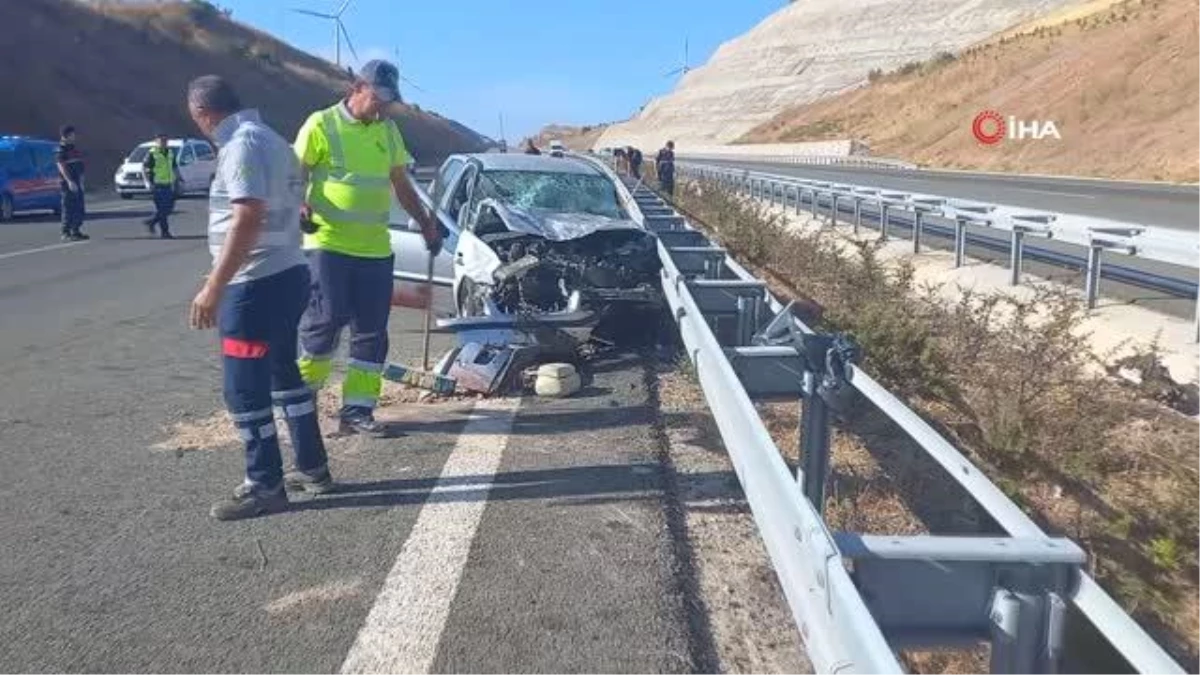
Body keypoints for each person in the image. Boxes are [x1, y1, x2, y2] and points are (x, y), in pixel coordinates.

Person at [186, 75, 331, 521]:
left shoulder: (241, 145)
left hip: (254, 286)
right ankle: (312, 466)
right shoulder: (273, 139)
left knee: (244, 387)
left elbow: (247, 217)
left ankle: (264, 484)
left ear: (202, 113)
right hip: (287, 274)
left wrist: (214, 285)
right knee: (283, 372)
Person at [294, 59, 443, 436]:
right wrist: (298, 203)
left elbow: (401, 184)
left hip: (375, 248)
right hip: (327, 243)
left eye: (388, 100)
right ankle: (301, 399)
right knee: (325, 321)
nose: (382, 106)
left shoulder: (387, 131)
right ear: (358, 88)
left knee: (371, 331)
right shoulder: (321, 124)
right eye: (378, 97)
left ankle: (357, 411)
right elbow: (294, 173)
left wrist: (426, 223)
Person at [142, 133, 178, 239]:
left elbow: (174, 167)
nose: (163, 143)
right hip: (157, 185)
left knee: (168, 209)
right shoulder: (152, 154)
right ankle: (165, 232)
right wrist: (147, 182)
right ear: (156, 142)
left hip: (168, 184)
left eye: (165, 141)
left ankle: (152, 222)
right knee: (162, 209)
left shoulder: (170, 152)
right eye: (161, 141)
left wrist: (178, 179)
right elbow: (144, 168)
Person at [56, 125, 88, 242]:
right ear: (66, 135)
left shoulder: (73, 149)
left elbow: (80, 164)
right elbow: (61, 166)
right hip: (68, 183)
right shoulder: (61, 149)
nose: (74, 136)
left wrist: (82, 179)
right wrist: (69, 181)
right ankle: (65, 232)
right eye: (72, 134)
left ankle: (76, 230)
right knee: (68, 207)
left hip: (78, 181)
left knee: (79, 207)